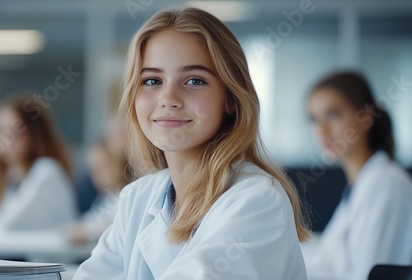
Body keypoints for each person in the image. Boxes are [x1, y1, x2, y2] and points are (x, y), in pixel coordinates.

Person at [73, 7, 309, 280]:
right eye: (152, 80)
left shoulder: (257, 200)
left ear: (231, 98)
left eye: (194, 80)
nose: (169, 98)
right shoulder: (138, 197)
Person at [304, 71, 412, 280]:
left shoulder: (385, 182)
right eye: (314, 119)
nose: (322, 130)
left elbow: (365, 274)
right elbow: (329, 259)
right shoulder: (361, 185)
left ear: (365, 118)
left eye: (334, 115)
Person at [0, 95, 76, 242]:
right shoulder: (14, 177)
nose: (3, 139)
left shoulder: (46, 170)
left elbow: (5, 223)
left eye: (13, 131)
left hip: (55, 263)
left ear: (33, 133)